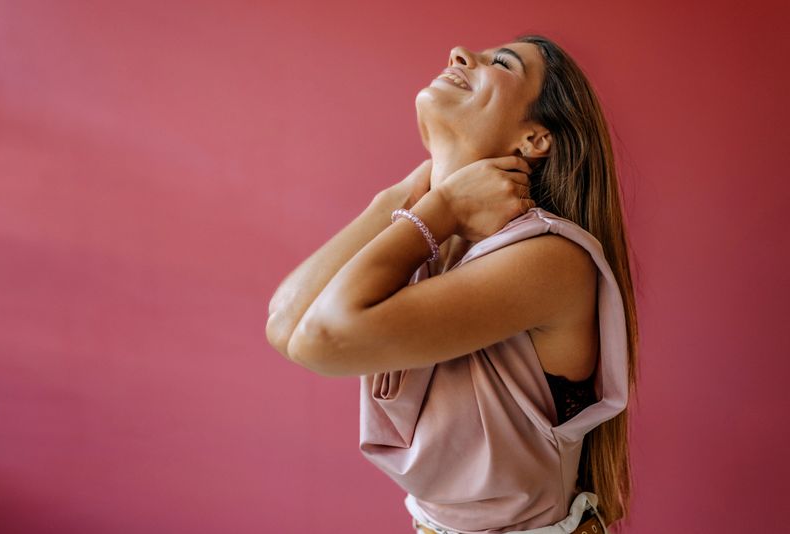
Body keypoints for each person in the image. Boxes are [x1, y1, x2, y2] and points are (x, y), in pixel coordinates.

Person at [266, 34, 639, 533]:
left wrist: (437, 207)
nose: (460, 52)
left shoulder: (550, 259)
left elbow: (322, 340)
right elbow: (285, 323)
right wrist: (404, 197)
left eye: (500, 63)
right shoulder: (432, 241)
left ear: (534, 139)